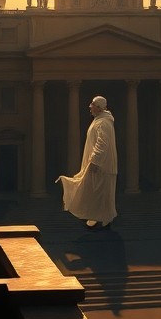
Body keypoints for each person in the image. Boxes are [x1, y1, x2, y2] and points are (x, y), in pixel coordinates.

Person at [56, 95, 118, 229]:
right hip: (99, 165)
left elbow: (102, 144)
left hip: (101, 166)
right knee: (96, 192)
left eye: (92, 104)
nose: (89, 107)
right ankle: (98, 217)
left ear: (98, 107)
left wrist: (95, 161)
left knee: (100, 192)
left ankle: (104, 219)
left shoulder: (103, 123)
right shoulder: (100, 121)